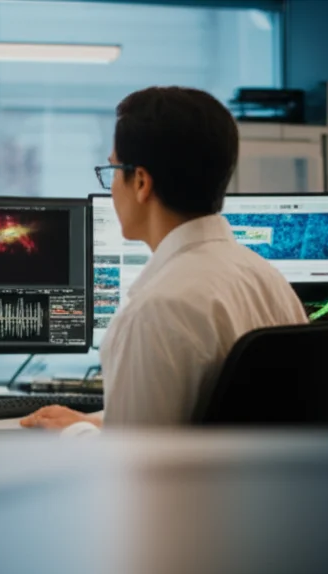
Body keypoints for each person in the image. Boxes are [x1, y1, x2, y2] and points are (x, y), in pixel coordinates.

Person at [20, 86, 309, 431]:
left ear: (141, 182)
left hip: (188, 486)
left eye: (112, 169)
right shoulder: (269, 281)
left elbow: (132, 468)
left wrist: (71, 433)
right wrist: (97, 424)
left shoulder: (155, 311)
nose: (111, 186)